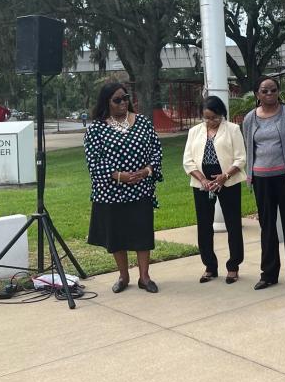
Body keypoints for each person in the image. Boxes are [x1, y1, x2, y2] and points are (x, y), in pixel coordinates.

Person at [84, 83, 163, 294]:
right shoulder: (97, 129)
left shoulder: (143, 122)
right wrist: (120, 176)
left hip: (141, 189)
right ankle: (123, 275)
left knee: (142, 232)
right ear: (106, 103)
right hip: (112, 192)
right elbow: (94, 161)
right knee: (116, 234)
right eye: (117, 100)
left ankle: (144, 277)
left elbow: (156, 150)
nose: (123, 103)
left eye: (125, 98)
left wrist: (146, 171)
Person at [242, 77, 285, 292]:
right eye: (264, 91)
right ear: (257, 94)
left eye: (273, 90)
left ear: (278, 92)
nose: (269, 94)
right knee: (267, 227)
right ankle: (268, 274)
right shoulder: (250, 119)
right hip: (261, 179)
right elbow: (248, 146)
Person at [182, 96, 246, 284]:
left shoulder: (233, 130)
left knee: (233, 224)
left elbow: (240, 158)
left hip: (228, 181)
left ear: (222, 115)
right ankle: (210, 266)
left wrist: (224, 177)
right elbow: (187, 160)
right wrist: (202, 179)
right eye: (206, 118)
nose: (210, 122)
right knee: (204, 225)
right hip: (202, 184)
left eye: (214, 118)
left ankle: (233, 266)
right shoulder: (194, 131)